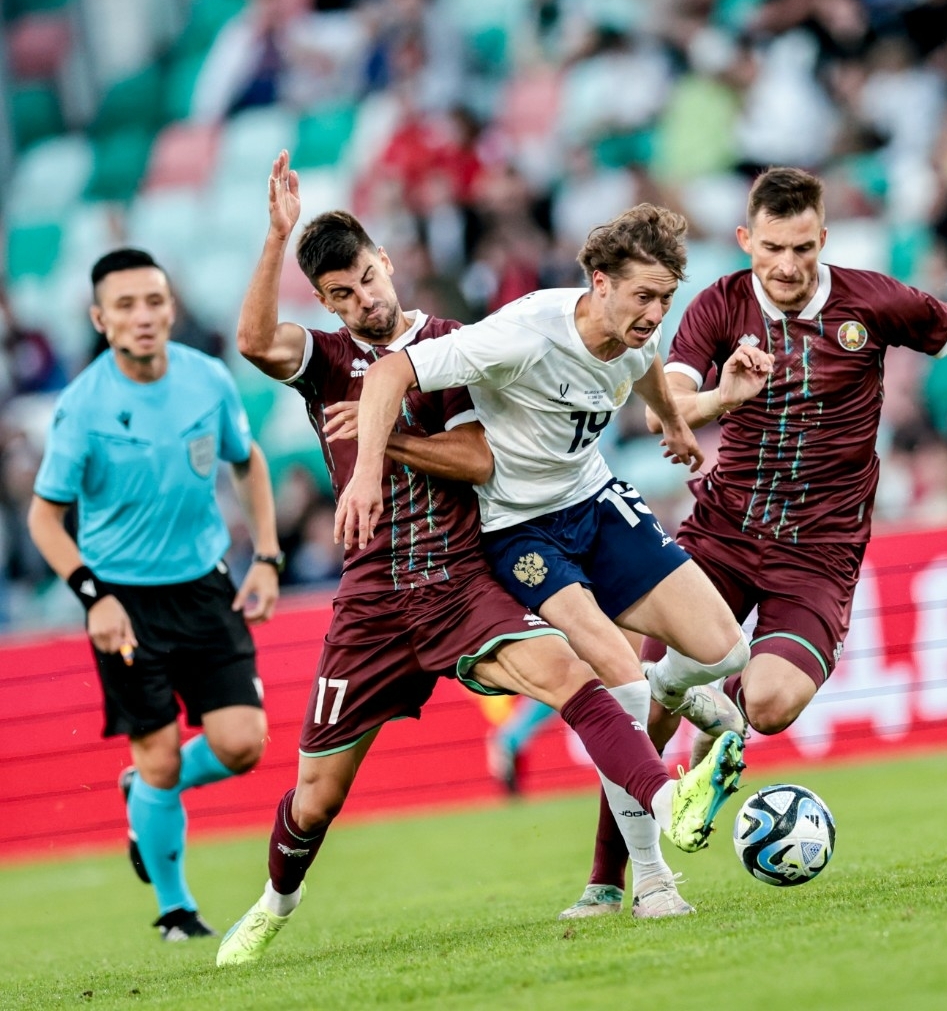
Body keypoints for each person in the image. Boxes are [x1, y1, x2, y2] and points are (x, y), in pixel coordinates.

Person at [216, 156, 744, 966]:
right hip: (371, 600)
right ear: (323, 301)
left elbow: (478, 458)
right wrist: (276, 236)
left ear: (386, 262)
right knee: (317, 798)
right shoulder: (325, 362)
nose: (363, 301)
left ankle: (668, 809)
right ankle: (274, 903)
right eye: (342, 295)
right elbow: (254, 341)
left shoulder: (452, 344)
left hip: (461, 581)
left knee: (577, 678)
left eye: (367, 279)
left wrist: (378, 452)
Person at [565, 166, 947, 917]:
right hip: (723, 533)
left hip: (819, 555)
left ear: (824, 239)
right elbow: (668, 406)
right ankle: (608, 879)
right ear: (746, 240)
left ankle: (721, 721)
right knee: (646, 699)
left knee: (769, 704)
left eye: (803, 247)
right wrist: (726, 394)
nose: (788, 265)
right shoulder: (719, 305)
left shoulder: (871, 301)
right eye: (773, 248)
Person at [338, 202, 752, 920]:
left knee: (726, 651)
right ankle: (653, 882)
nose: (655, 313)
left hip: (596, 501)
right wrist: (368, 470)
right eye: (644, 296)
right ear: (600, 283)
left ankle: (672, 687)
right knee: (621, 686)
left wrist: (676, 422)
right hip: (521, 530)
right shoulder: (524, 332)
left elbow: (647, 367)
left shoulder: (634, 329)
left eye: (665, 298)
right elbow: (388, 375)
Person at [26, 248, 282, 941]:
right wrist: (93, 598)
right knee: (161, 754)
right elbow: (44, 518)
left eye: (154, 301)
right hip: (124, 601)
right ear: (100, 320)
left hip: (204, 586)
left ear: (171, 308)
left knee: (243, 744)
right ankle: (176, 911)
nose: (143, 316)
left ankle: (143, 795)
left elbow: (247, 460)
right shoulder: (82, 407)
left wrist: (266, 556)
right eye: (126, 306)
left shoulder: (207, 379)